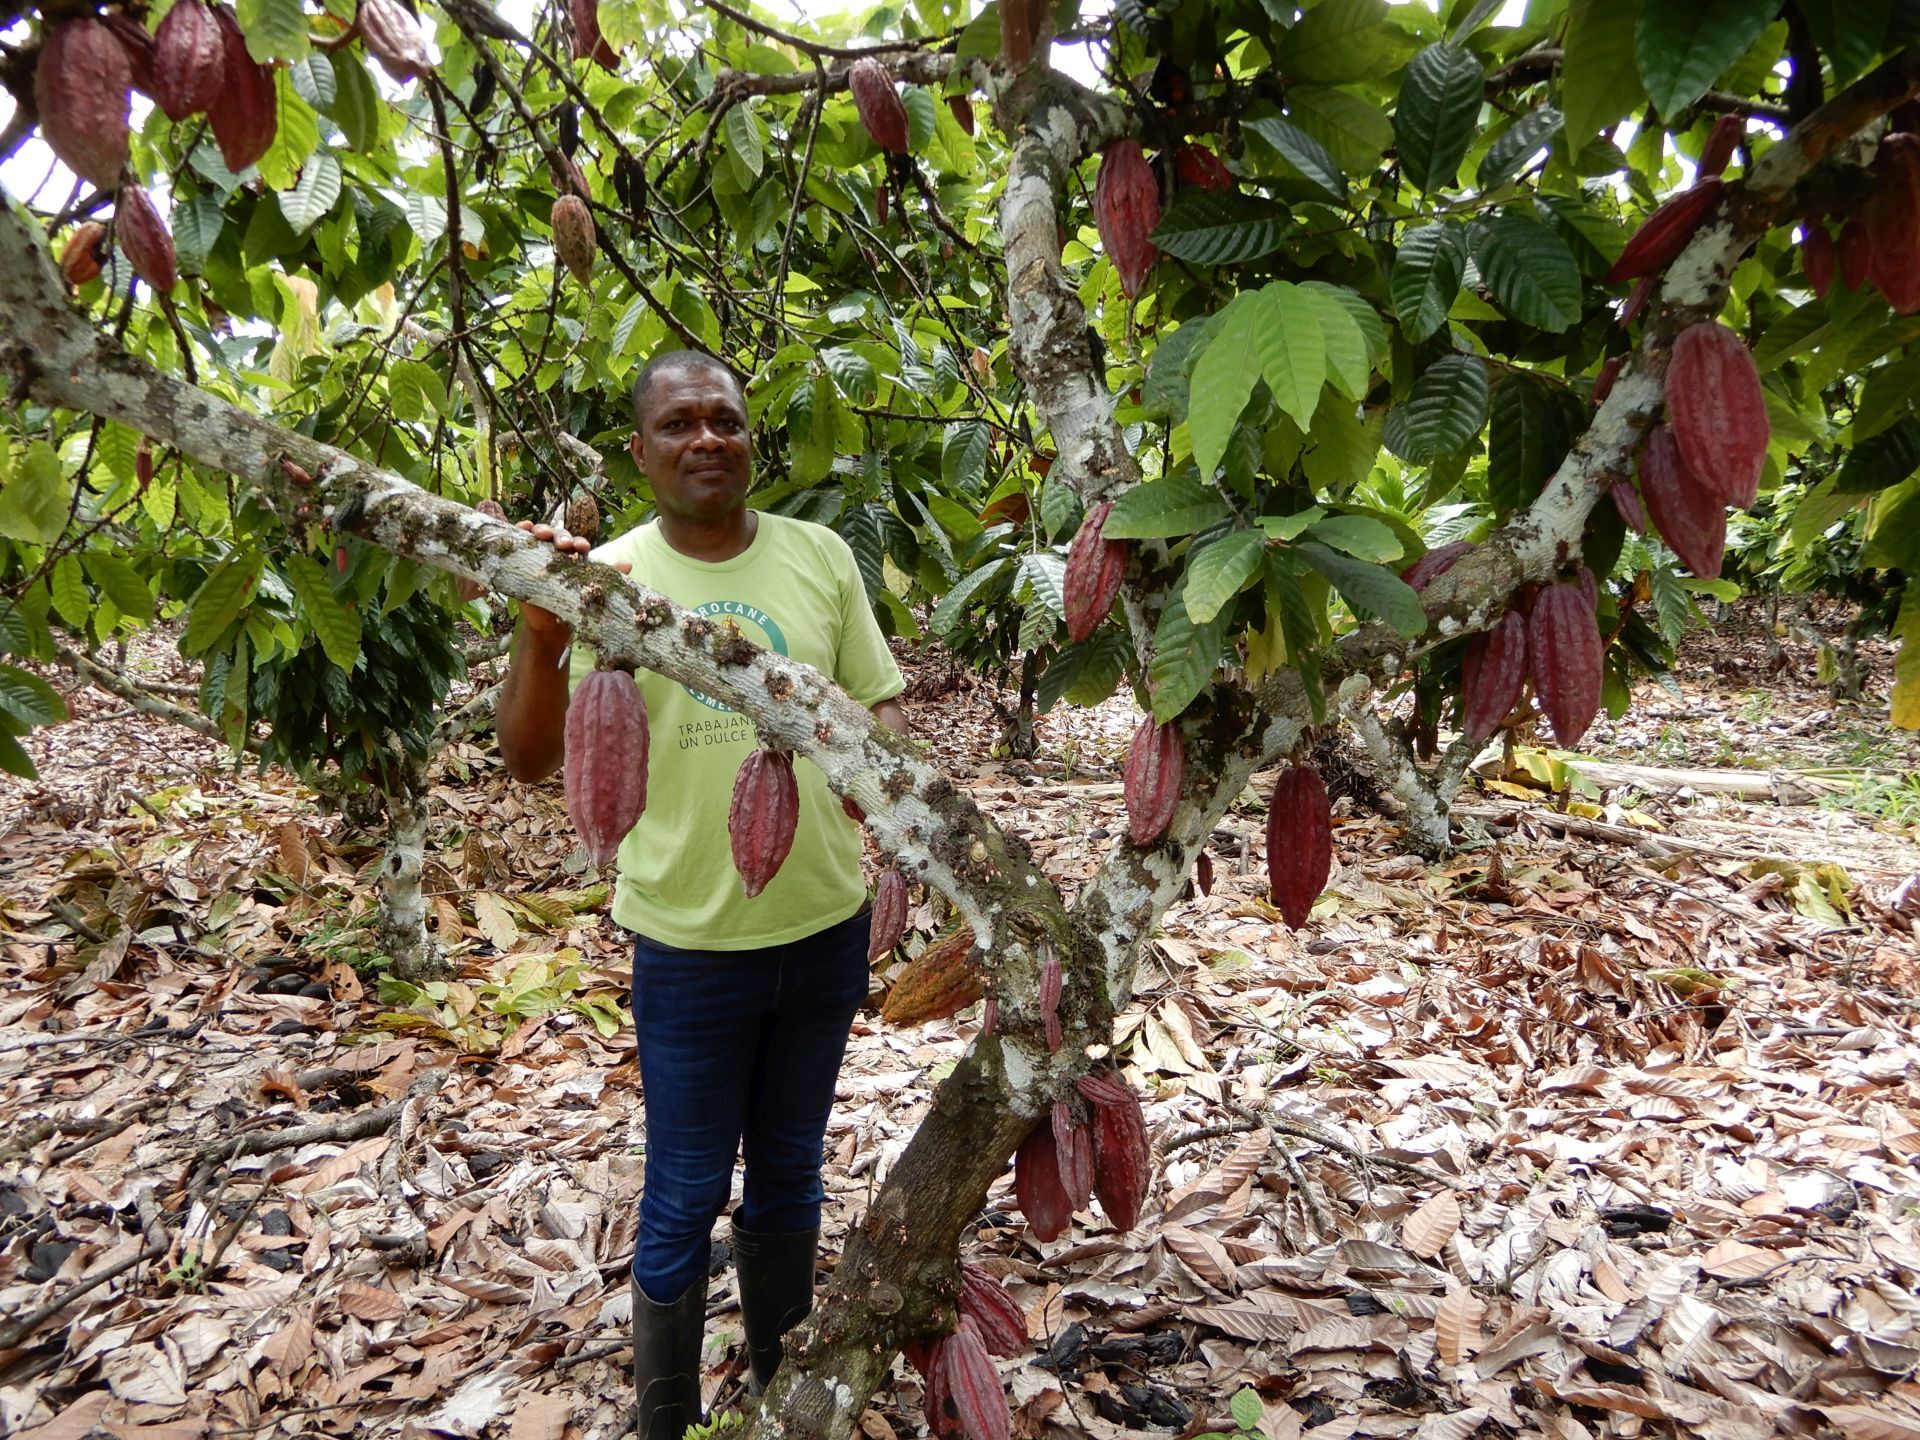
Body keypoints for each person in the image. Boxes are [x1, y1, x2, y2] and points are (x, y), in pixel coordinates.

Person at [496, 349, 908, 1440]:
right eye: (678, 425)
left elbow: (877, 726)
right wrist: (542, 638)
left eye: (724, 420)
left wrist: (914, 852)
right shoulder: (606, 575)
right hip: (685, 940)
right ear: (641, 452)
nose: (706, 440)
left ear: (750, 438)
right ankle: (665, 1418)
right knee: (683, 1187)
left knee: (790, 1173)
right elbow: (532, 758)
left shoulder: (820, 558)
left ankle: (781, 1395)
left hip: (822, 923)